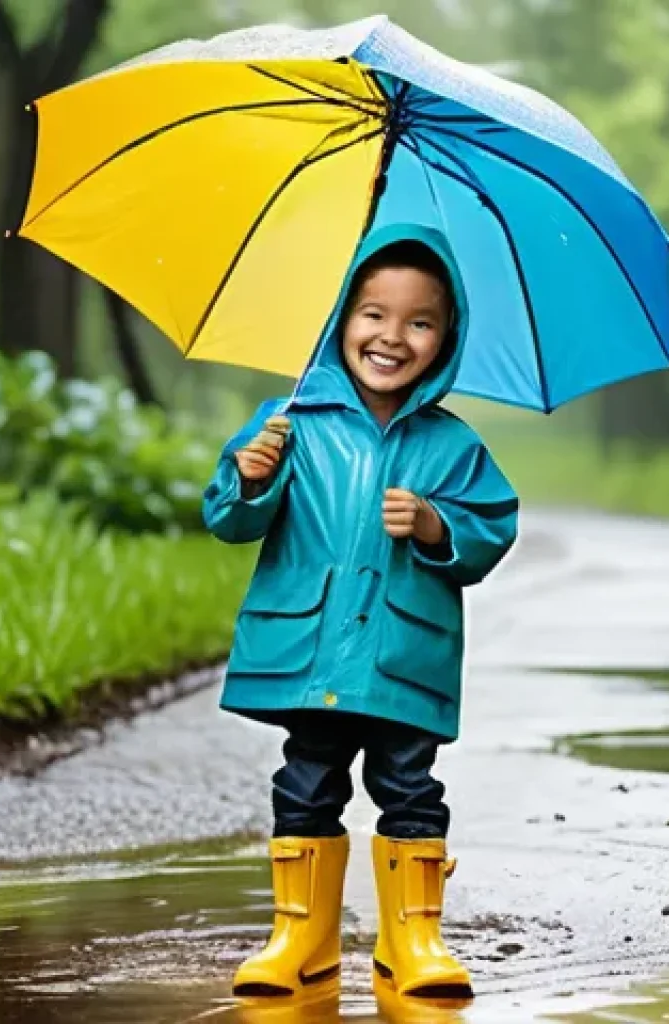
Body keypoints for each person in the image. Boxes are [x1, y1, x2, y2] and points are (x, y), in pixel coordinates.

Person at [202, 222, 519, 1005]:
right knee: (306, 782)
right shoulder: (290, 421)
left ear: (446, 339)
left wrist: (438, 525)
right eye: (374, 313)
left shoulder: (452, 446)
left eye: (420, 322)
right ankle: (299, 939)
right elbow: (230, 518)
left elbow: (493, 526)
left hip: (402, 657)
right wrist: (250, 477)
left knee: (409, 785)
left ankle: (414, 940)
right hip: (313, 651)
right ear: (343, 315)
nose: (392, 336)